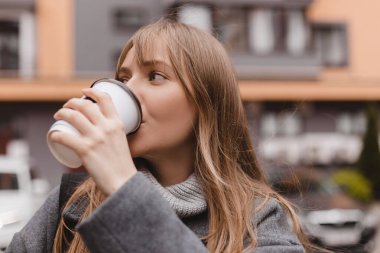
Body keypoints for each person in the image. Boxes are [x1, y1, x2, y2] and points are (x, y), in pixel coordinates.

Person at [7, 18, 313, 253]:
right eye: (123, 77)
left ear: (206, 104)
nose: (128, 90)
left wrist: (123, 186)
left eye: (155, 76)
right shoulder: (72, 203)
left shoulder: (259, 220)